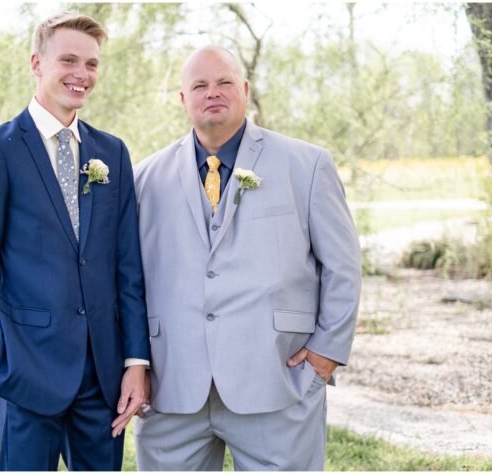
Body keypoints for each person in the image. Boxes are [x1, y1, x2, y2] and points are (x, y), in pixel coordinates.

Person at [131, 45, 361, 471]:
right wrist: (136, 364)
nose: (212, 92)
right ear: (183, 99)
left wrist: (324, 356)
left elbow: (342, 268)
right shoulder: (144, 178)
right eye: (199, 85)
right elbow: (127, 281)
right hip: (171, 388)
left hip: (277, 380)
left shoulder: (306, 165)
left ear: (246, 90)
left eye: (224, 82)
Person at [0, 12, 149, 470]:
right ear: (37, 63)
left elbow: (128, 267)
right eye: (70, 60)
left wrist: (135, 360)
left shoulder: (111, 153)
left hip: (103, 374)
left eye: (93, 64)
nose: (82, 74)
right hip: (26, 369)